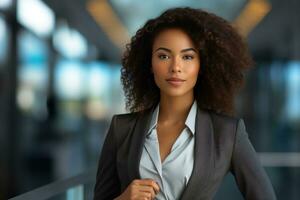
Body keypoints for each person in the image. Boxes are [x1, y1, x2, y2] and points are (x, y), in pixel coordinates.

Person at [93, 7, 276, 200]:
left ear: (202, 64)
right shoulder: (121, 128)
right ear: (150, 63)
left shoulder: (227, 133)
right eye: (164, 56)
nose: (175, 67)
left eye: (187, 56)